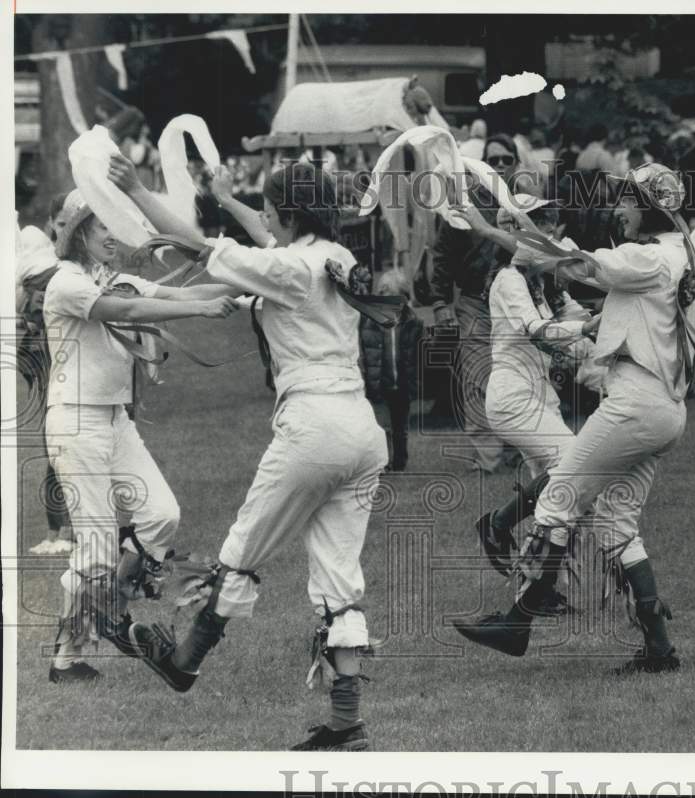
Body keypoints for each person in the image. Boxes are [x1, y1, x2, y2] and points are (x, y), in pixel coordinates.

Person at [450, 163, 695, 674]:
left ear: (644, 208)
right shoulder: (682, 251)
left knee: (556, 499)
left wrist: (497, 230)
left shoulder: (643, 257)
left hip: (634, 403)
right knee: (618, 525)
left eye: (624, 201)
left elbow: (574, 264)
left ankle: (519, 622)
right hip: (666, 409)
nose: (617, 211)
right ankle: (659, 651)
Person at [117, 157, 388, 752]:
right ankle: (348, 725)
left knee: (240, 553)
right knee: (339, 579)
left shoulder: (290, 265)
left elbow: (198, 245)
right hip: (363, 431)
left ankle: (185, 661)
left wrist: (137, 189)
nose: (264, 218)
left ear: (290, 214)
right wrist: (225, 196)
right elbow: (266, 243)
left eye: (270, 208)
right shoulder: (332, 256)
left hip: (314, 425)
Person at [42, 185, 240, 684]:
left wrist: (253, 286)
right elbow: (127, 312)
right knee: (96, 550)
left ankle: (107, 615)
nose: (113, 233)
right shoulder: (66, 283)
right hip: (75, 420)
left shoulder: (113, 278)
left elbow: (181, 293)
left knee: (161, 515)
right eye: (103, 224)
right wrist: (200, 311)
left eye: (115, 223)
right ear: (80, 233)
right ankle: (71, 655)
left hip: (114, 418)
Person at [468, 196, 598, 604]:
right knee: (573, 463)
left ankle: (540, 588)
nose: (552, 234)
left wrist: (598, 325)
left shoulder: (543, 286)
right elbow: (535, 330)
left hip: (542, 396)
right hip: (512, 397)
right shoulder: (510, 281)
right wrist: (586, 328)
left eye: (553, 225)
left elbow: (574, 329)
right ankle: (498, 522)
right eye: (542, 225)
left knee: (561, 500)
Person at [428, 133, 524, 473]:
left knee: (517, 379)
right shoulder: (463, 206)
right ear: (482, 165)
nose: (499, 165)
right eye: (492, 160)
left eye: (505, 160)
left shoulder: (526, 206)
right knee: (476, 381)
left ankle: (516, 455)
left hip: (517, 307)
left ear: (516, 164)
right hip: (474, 303)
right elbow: (441, 257)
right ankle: (487, 460)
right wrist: (440, 302)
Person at [18, 192, 74, 555]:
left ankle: (69, 531)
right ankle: (58, 531)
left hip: (69, 359)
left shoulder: (67, 267)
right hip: (45, 356)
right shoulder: (41, 264)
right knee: (54, 442)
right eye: (64, 223)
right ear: (53, 224)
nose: (69, 229)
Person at [360, 269, 424, 472]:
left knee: (401, 427)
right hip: (378, 381)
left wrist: (416, 382)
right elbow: (362, 350)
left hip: (403, 382)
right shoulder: (367, 321)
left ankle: (400, 461)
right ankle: (385, 462)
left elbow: (417, 355)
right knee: (383, 426)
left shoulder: (413, 323)